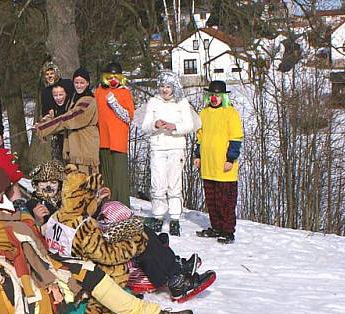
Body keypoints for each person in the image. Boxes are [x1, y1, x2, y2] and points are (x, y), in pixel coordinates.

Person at [0, 161, 192, 314]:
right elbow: (27, 233)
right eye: (0, 193)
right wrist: (20, 206)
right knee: (89, 271)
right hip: (15, 281)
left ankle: (131, 304)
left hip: (14, 268)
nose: (2, 198)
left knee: (83, 270)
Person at [98, 200, 216, 302]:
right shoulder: (105, 244)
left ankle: (174, 264)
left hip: (119, 253)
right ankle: (175, 281)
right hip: (123, 273)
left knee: (147, 234)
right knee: (145, 244)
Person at [138, 70, 201, 237]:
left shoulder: (182, 103)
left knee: (174, 184)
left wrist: (175, 127)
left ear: (174, 87)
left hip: (176, 147)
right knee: (158, 184)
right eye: (162, 86)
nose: (165, 90)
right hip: (157, 147)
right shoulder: (153, 102)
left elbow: (190, 125)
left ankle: (174, 218)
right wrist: (155, 125)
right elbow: (144, 126)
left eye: (168, 86)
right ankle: (158, 216)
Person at [194, 80, 244, 244]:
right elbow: (199, 137)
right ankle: (216, 227)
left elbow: (236, 138)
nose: (214, 98)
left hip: (224, 167)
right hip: (208, 166)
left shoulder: (231, 113)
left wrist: (231, 158)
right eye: (212, 95)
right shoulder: (204, 112)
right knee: (212, 200)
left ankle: (228, 231)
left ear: (224, 97)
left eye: (217, 95)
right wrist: (197, 156)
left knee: (226, 202)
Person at [34, 67, 99, 174]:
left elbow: (69, 119)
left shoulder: (88, 100)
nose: (78, 85)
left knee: (86, 186)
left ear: (87, 83)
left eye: (81, 83)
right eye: (76, 82)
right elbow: (61, 115)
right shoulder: (74, 99)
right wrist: (44, 122)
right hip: (74, 150)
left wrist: (44, 128)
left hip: (85, 150)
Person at [95, 61, 134, 205]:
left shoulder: (124, 93)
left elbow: (128, 116)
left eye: (116, 77)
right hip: (102, 140)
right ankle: (107, 208)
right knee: (106, 178)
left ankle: (122, 208)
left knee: (119, 179)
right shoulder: (99, 92)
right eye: (110, 77)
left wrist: (115, 104)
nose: (113, 80)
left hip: (118, 142)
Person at [41, 82, 71, 162]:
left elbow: (63, 122)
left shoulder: (70, 107)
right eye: (55, 95)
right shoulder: (53, 109)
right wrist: (44, 122)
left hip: (70, 144)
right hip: (58, 144)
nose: (58, 98)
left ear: (66, 94)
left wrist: (44, 128)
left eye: (61, 95)